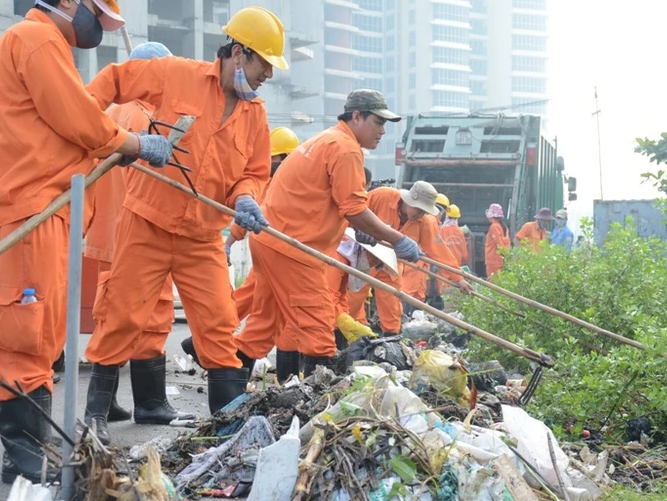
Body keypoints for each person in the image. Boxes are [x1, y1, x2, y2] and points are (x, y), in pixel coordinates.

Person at [0, 0, 166, 483]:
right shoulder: (36, 38)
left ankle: (37, 446)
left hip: (45, 203)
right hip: (25, 205)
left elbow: (66, 123)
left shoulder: (45, 43)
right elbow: (80, 119)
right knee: (24, 329)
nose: (98, 27)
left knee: (43, 332)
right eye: (95, 12)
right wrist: (131, 142)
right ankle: (25, 458)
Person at [82, 5, 286, 427]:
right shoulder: (176, 74)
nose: (269, 74)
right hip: (148, 222)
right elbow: (115, 81)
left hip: (203, 236)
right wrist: (98, 129)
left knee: (219, 326)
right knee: (120, 317)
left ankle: (227, 426)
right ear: (238, 53)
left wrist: (247, 198)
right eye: (265, 64)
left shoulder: (256, 114)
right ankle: (95, 417)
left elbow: (253, 173)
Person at [235, 90, 422, 386]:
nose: (382, 131)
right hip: (293, 247)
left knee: (263, 325)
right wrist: (396, 238)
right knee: (319, 330)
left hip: (272, 239)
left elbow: (333, 202)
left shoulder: (328, 140)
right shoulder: (346, 148)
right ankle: (314, 406)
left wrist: (359, 226)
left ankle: (227, 399)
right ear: (356, 117)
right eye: (377, 122)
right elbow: (354, 208)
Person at [80, 41, 181, 435]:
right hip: (139, 231)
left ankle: (112, 403)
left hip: (108, 230)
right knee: (148, 315)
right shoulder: (146, 115)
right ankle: (148, 403)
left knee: (114, 316)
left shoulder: (109, 112)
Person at [180, 125, 300, 366]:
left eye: (274, 158)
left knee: (248, 302)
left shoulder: (287, 183)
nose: (271, 163)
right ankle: (224, 352)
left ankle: (206, 344)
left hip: (274, 254)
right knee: (259, 312)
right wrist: (229, 242)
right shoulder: (268, 184)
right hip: (272, 254)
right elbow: (250, 216)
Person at [347, 181, 471, 333]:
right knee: (351, 302)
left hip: (389, 265)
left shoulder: (425, 222)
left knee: (392, 308)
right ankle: (346, 339)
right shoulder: (382, 196)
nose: (420, 214)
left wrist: (458, 278)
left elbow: (439, 251)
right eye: (418, 209)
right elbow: (352, 210)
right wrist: (358, 229)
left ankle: (391, 341)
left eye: (424, 211)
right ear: (408, 200)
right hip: (360, 259)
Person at [484, 203, 510, 278]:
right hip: (501, 261)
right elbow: (506, 245)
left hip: (493, 260)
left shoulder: (494, 227)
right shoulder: (504, 227)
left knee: (493, 283)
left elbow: (499, 244)